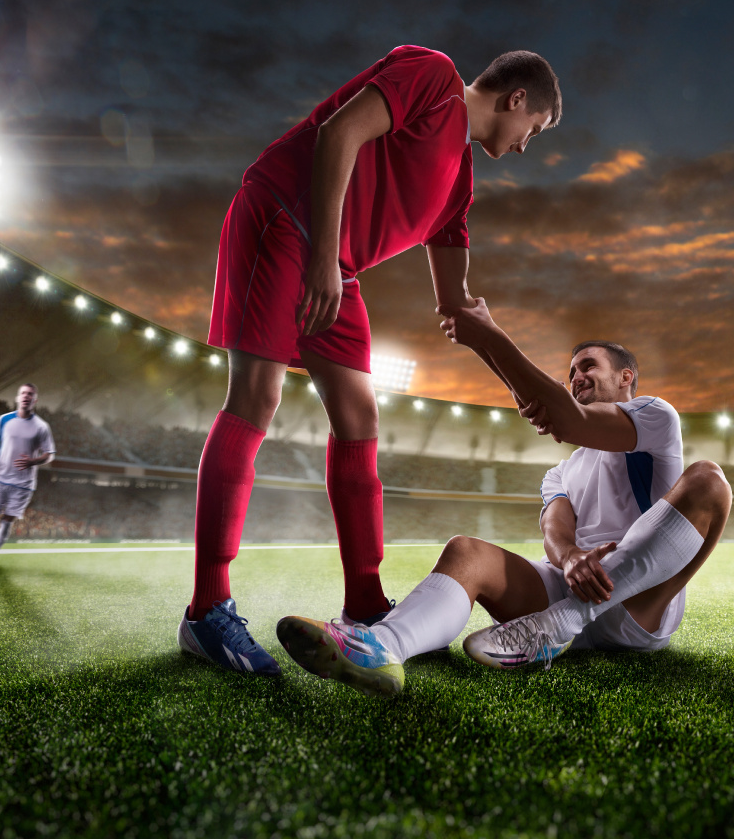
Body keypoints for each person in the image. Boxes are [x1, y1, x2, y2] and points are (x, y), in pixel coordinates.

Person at [179, 47, 563, 676]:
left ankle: (363, 605)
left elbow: (457, 309)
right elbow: (340, 132)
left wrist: (521, 386)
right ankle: (205, 612)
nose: (527, 145)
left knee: (360, 415)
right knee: (256, 397)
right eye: (536, 130)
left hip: (337, 266)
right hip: (285, 218)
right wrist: (325, 256)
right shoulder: (434, 77)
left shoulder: (459, 182)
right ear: (516, 99)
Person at [274, 318, 730, 697]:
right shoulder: (562, 471)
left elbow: (571, 420)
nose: (576, 378)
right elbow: (555, 527)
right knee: (465, 551)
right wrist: (570, 559)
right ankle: (383, 647)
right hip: (574, 586)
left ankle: (560, 624)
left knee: (709, 480)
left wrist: (487, 335)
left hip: (637, 606)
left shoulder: (656, 418)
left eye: (588, 366)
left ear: (626, 377)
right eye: (571, 373)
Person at [0, 382, 56, 570]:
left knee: (6, 523)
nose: (26, 396)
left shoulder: (41, 427)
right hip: (1, 477)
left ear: (35, 400)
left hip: (23, 483)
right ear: (17, 397)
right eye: (23, 393)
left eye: (30, 394)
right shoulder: (4, 420)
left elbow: (49, 454)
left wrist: (32, 461)